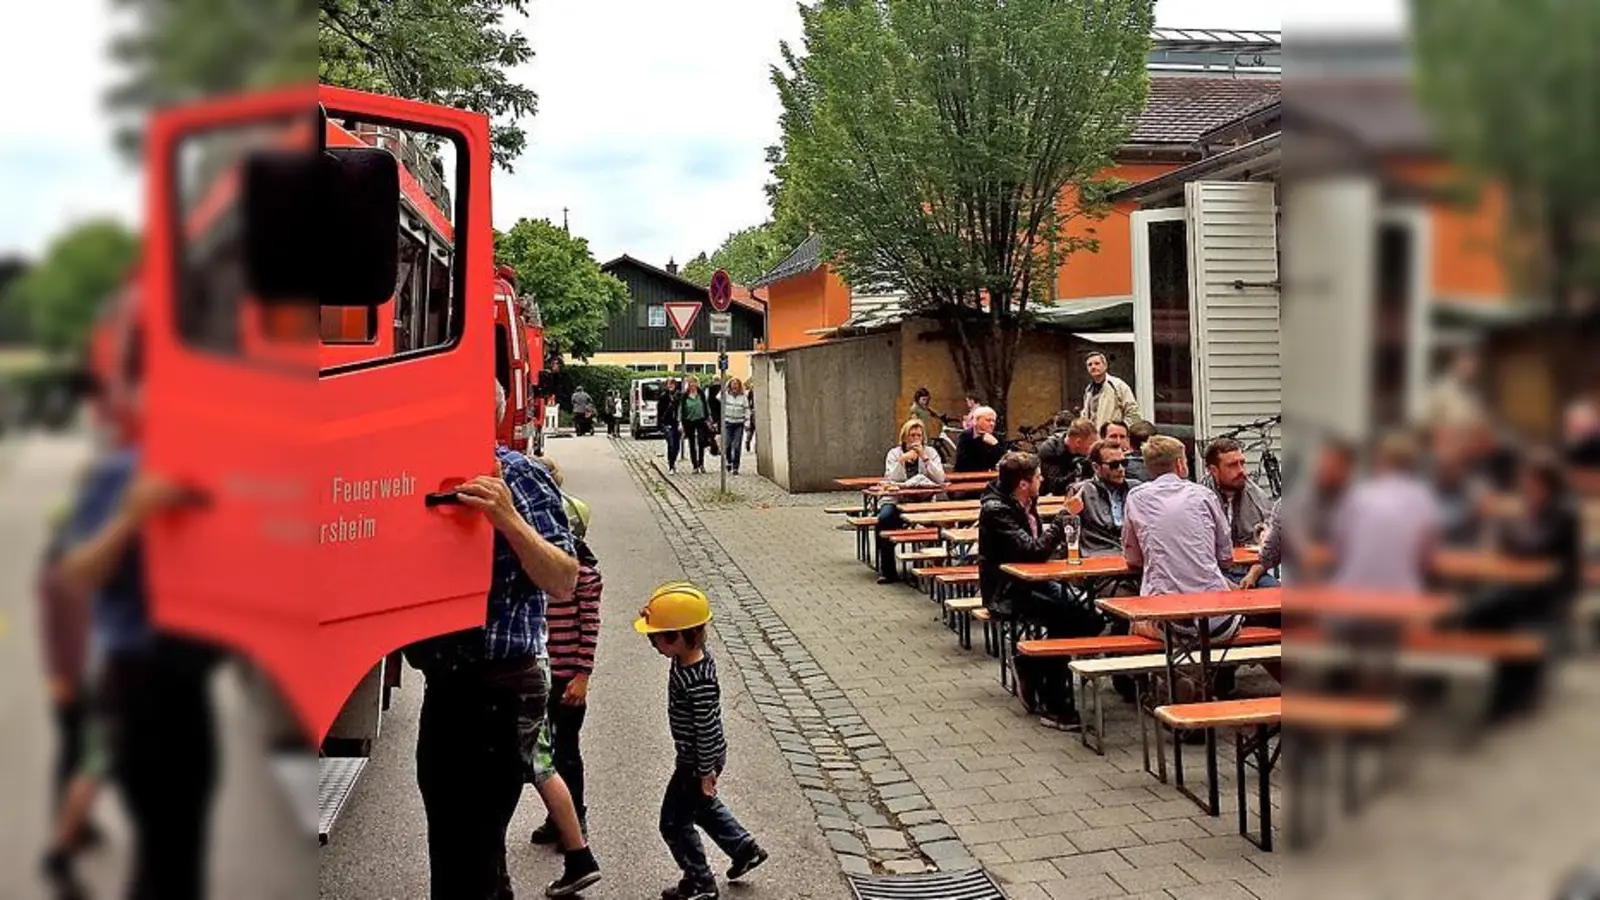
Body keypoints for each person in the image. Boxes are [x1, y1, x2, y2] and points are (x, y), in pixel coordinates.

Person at [402, 381, 601, 898]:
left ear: (488, 417)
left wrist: (506, 517)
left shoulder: (522, 476)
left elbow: (564, 579)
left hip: (499, 687)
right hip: (444, 685)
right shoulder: (412, 478)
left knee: (466, 856)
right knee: (464, 848)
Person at [56, 440, 221, 900]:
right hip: (136, 683)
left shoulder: (220, 466)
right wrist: (132, 516)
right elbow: (76, 570)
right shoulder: (119, 471)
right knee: (160, 851)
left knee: (184, 848)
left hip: (192, 684)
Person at [635, 583, 769, 900]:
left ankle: (700, 881)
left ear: (680, 637)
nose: (652, 642)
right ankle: (744, 848)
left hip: (698, 760)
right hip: (697, 756)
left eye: (657, 636)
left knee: (673, 822)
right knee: (702, 807)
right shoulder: (689, 653)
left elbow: (707, 726)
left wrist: (706, 772)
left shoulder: (698, 679)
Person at [978, 452, 1103, 729]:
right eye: (1037, 477)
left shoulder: (1025, 501)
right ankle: (1056, 703)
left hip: (1033, 581)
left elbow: (1039, 549)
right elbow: (1032, 552)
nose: (1042, 479)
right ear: (1024, 484)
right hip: (1007, 589)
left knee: (1091, 614)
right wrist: (1064, 516)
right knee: (1065, 614)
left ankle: (1033, 664)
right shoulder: (996, 510)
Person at [527, 458, 602, 846]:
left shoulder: (585, 577)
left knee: (567, 752)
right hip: (544, 673)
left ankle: (578, 819)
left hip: (568, 678)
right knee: (549, 752)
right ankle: (557, 818)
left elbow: (589, 628)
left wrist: (582, 676)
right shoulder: (544, 570)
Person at [1121, 435, 1242, 644]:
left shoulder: (1136, 498)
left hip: (1168, 622)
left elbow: (1133, 558)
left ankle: (1163, 676)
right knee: (1236, 593)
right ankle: (1214, 676)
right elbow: (1226, 556)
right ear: (1179, 464)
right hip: (1218, 624)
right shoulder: (1204, 495)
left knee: (1133, 623)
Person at [1327, 433, 1439, 593]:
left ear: (1380, 461)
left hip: (1350, 595)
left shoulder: (1359, 495)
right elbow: (1426, 558)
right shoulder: (1423, 499)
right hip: (1403, 596)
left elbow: (1339, 549)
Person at [874, 419, 948, 584]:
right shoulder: (894, 453)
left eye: (919, 436)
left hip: (924, 501)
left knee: (938, 524)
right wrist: (902, 460)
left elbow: (940, 479)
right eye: (912, 435)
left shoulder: (930, 452)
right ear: (904, 438)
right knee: (884, 520)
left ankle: (924, 568)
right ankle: (888, 571)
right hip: (896, 500)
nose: (915, 439)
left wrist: (925, 458)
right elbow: (891, 478)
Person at [1063, 440, 1138, 556]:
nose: (1121, 468)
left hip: (1132, 556)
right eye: (1114, 465)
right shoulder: (1080, 492)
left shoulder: (1136, 489)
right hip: (1098, 556)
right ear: (1096, 467)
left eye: (1124, 463)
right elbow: (1068, 532)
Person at [1205, 438, 1273, 559]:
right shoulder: (1201, 498)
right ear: (1214, 470)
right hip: (1213, 570)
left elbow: (1270, 540)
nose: (1242, 471)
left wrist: (1264, 534)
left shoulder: (1255, 494)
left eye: (1242, 463)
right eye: (1232, 465)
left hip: (1250, 568)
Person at [1424, 348, 1486, 431]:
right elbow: (1426, 422)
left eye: (1474, 365)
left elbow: (1480, 423)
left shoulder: (1475, 393)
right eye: (1467, 363)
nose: (1472, 369)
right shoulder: (1443, 391)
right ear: (1457, 363)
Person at [1080, 352, 1141, 431]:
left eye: (1097, 363)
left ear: (1105, 366)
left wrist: (1121, 431)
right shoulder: (1088, 390)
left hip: (1114, 437)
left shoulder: (1118, 385)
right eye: (1090, 365)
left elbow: (1134, 414)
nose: (1093, 367)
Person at [1036, 415, 1097, 495]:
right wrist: (1078, 471)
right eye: (1091, 444)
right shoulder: (1050, 450)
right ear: (1078, 442)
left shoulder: (1086, 453)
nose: (1093, 448)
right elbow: (1054, 485)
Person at [954, 405, 1005, 473]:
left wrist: (995, 445)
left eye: (993, 421)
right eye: (988, 420)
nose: (992, 424)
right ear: (976, 421)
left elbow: (1002, 461)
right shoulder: (966, 437)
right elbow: (963, 464)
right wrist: (978, 440)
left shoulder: (997, 438)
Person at [680, 379, 715, 474]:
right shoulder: (685, 396)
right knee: (692, 443)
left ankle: (701, 463)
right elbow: (681, 409)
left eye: (694, 383)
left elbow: (706, 406)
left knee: (701, 441)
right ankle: (695, 465)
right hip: (689, 421)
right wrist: (681, 422)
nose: (693, 385)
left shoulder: (701, 394)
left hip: (701, 421)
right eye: (691, 383)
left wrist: (709, 418)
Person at [720, 379, 750, 475]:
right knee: (727, 445)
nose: (734, 386)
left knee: (736, 446)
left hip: (738, 424)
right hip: (728, 423)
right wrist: (725, 389)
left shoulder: (743, 397)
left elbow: (747, 410)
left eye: (736, 384)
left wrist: (747, 422)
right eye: (733, 384)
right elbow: (718, 397)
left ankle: (736, 466)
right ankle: (729, 461)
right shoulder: (726, 395)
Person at [659, 379, 685, 473]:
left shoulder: (679, 396)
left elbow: (682, 409)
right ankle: (671, 465)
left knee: (677, 446)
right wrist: (660, 424)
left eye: (673, 384)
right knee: (671, 444)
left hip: (677, 423)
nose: (671, 386)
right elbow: (660, 411)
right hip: (667, 423)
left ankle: (673, 462)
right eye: (669, 384)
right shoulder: (663, 396)